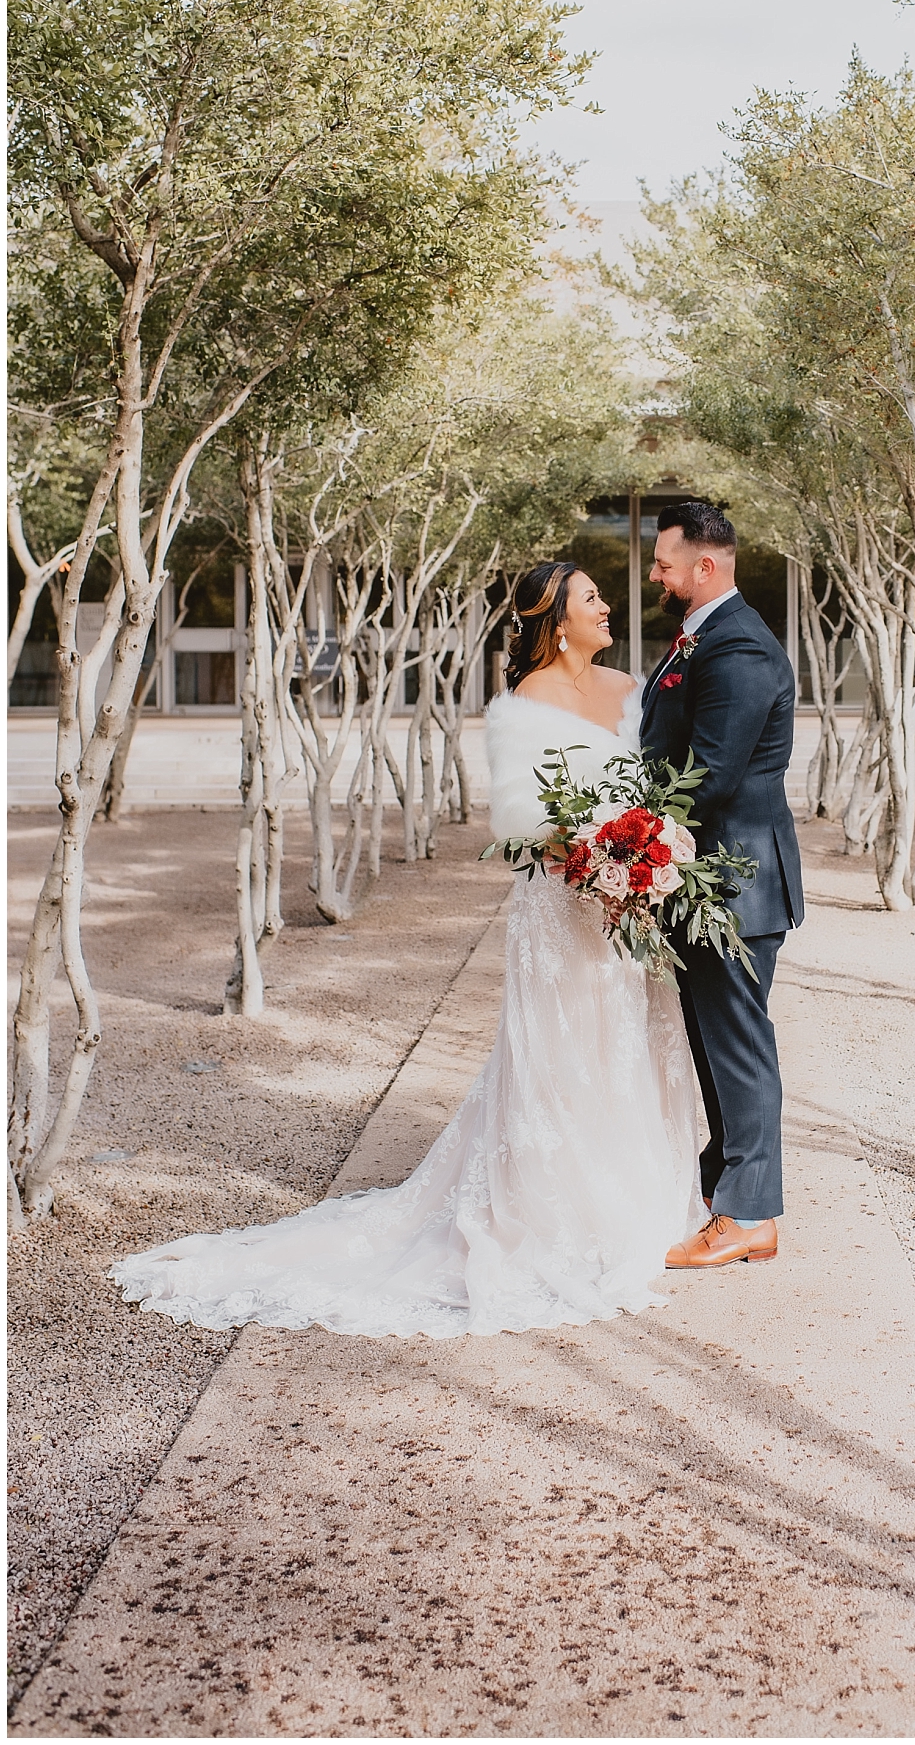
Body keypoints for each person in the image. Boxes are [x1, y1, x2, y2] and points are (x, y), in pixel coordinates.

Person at [112, 562, 707, 1337]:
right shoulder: (523, 704)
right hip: (563, 906)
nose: (606, 607)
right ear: (557, 622)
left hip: (627, 905)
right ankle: (561, 1213)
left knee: (627, 1039)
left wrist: (648, 856)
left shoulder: (629, 688)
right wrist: (594, 857)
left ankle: (641, 1201)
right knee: (563, 1051)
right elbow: (521, 823)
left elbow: (649, 788)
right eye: (591, 598)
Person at [637, 501, 803, 1269]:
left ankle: (750, 1216)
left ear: (706, 567)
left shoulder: (737, 650)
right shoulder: (707, 636)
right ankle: (722, 1186)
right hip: (704, 879)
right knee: (713, 1046)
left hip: (733, 882)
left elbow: (705, 777)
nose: (655, 574)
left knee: (737, 1047)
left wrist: (627, 834)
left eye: (665, 562)